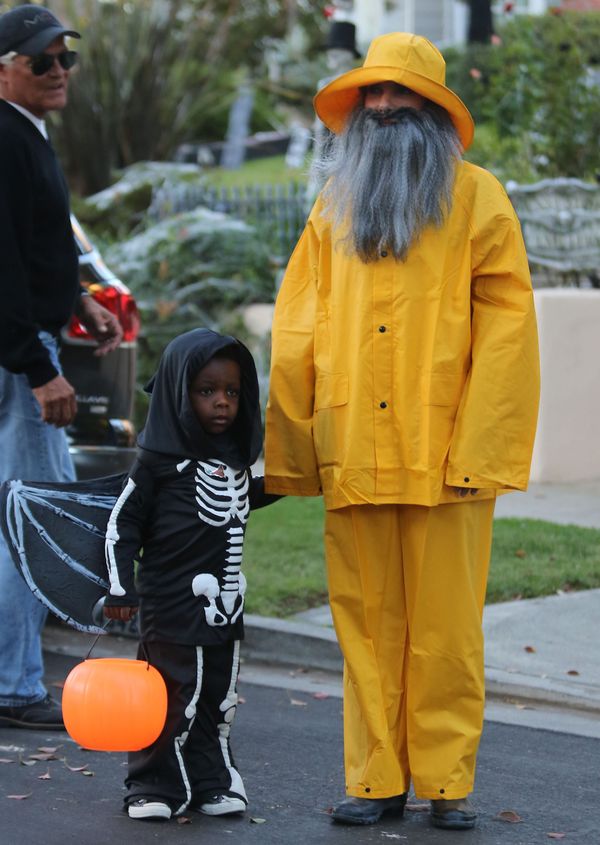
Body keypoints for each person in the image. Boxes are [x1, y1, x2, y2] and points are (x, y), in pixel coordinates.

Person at [264, 32, 539, 831]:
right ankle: (375, 778)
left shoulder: (480, 198)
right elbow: (299, 328)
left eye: (399, 95)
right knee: (365, 623)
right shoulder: (332, 206)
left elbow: (509, 332)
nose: (381, 109)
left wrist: (481, 448)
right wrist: (291, 450)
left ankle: (447, 781)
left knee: (446, 632)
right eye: (370, 96)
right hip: (354, 447)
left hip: (446, 451)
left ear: (432, 108)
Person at [0, 4, 123, 731]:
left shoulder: (25, 135)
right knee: (30, 520)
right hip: (17, 360)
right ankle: (15, 687)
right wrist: (38, 366)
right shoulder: (5, 139)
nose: (57, 72)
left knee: (16, 515)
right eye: (40, 60)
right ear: (5, 68)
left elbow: (38, 243)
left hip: (25, 345)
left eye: (64, 59)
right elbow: (3, 266)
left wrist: (80, 298)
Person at [102, 328, 279, 822]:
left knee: (218, 701)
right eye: (206, 392)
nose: (221, 403)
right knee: (171, 696)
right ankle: (152, 782)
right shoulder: (156, 462)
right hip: (170, 603)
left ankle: (212, 780)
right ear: (179, 394)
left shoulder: (232, 459)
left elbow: (243, 500)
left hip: (225, 602)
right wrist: (119, 586)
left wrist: (290, 483)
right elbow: (123, 523)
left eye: (231, 391)